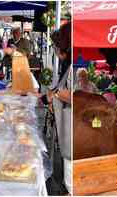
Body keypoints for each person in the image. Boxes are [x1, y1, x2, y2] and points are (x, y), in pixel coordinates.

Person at [45, 22, 72, 194]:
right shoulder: (67, 63)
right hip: (65, 124)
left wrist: (56, 94)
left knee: (70, 166)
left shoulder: (72, 64)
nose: (55, 50)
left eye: (55, 47)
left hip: (70, 126)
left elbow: (73, 94)